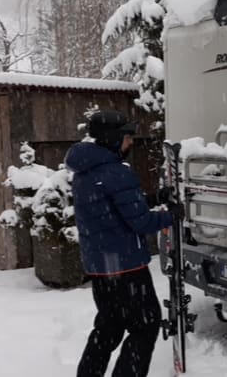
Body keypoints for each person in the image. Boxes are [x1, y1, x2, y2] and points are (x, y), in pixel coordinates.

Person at [65, 110, 179, 377]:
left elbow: (113, 210)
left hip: (101, 265)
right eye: (128, 138)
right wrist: (171, 217)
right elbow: (139, 223)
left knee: (109, 327)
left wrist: (152, 199)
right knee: (146, 325)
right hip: (126, 267)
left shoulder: (87, 170)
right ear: (114, 139)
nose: (131, 143)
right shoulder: (116, 173)